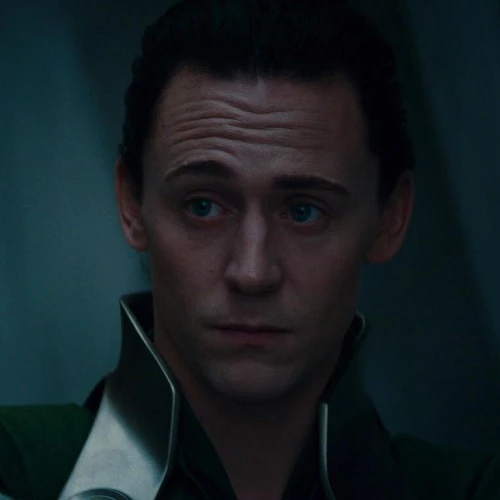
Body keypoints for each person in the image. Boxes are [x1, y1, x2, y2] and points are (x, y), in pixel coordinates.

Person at [0, 0, 498, 499]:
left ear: (390, 217)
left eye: (304, 212)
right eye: (202, 206)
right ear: (132, 204)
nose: (252, 272)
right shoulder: (17, 471)